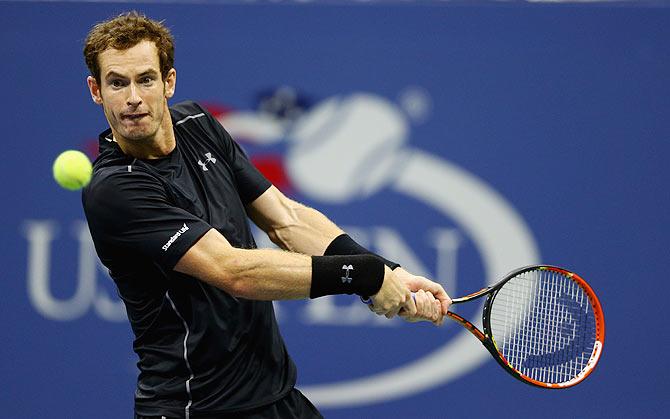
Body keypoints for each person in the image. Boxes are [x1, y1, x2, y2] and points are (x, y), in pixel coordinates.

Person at [82, 11, 452, 419]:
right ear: (96, 90)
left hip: (275, 397)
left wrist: (389, 271)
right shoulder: (115, 190)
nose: (132, 97)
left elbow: (285, 219)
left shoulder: (198, 123)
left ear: (169, 82)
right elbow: (234, 273)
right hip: (196, 408)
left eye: (145, 79)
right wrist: (362, 275)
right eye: (117, 83)